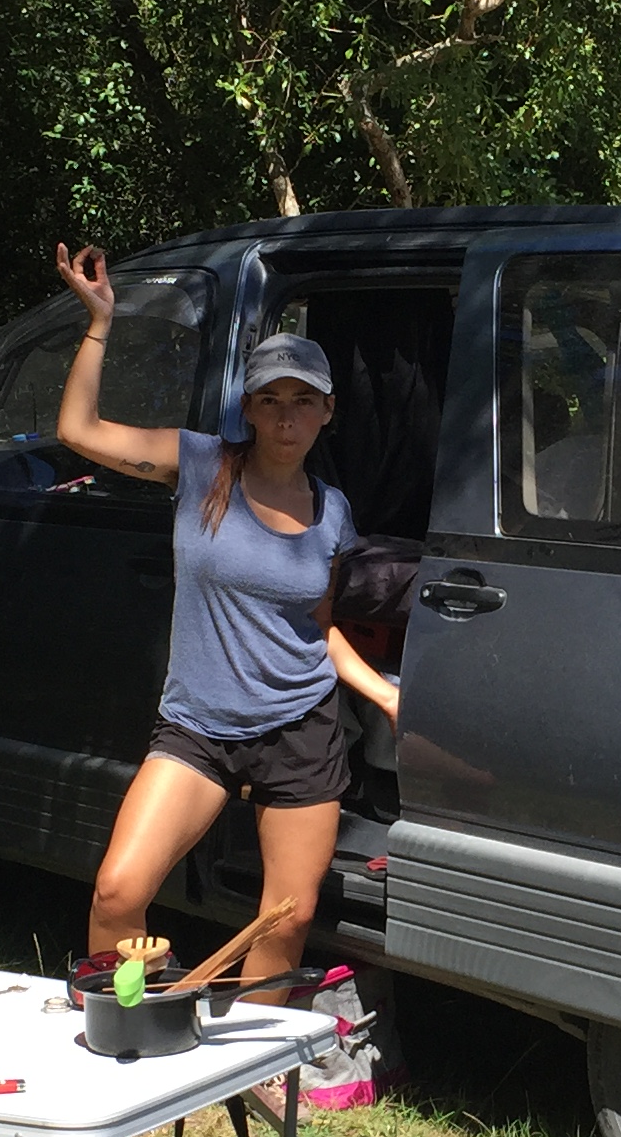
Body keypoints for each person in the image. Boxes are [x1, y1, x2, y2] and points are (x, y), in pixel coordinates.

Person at [53, 240, 402, 995]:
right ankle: (130, 1025)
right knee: (118, 890)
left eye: (302, 401)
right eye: (271, 400)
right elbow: (80, 433)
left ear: (327, 412)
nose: (286, 417)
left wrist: (379, 693)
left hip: (300, 731)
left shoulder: (332, 512)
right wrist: (100, 323)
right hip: (198, 727)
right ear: (248, 408)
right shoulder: (203, 464)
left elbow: (315, 624)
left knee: (285, 916)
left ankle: (253, 1062)